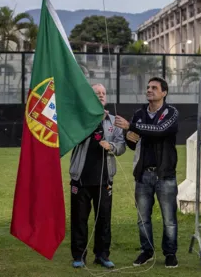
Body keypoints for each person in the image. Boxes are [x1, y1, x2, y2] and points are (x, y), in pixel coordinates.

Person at [114, 77, 179, 268]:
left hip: (165, 174)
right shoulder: (139, 113)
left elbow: (160, 130)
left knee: (169, 219)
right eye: (148, 87)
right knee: (143, 219)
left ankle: (170, 253)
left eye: (154, 88)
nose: (149, 90)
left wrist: (131, 127)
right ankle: (147, 251)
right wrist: (129, 136)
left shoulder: (171, 112)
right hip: (142, 174)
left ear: (164, 93)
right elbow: (133, 142)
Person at [69, 83, 126, 269]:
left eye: (103, 93)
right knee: (79, 219)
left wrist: (112, 147)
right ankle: (79, 256)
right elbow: (71, 139)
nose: (101, 95)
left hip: (104, 180)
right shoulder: (80, 119)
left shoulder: (113, 120)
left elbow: (121, 145)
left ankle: (102, 255)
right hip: (81, 178)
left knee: (103, 219)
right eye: (97, 93)